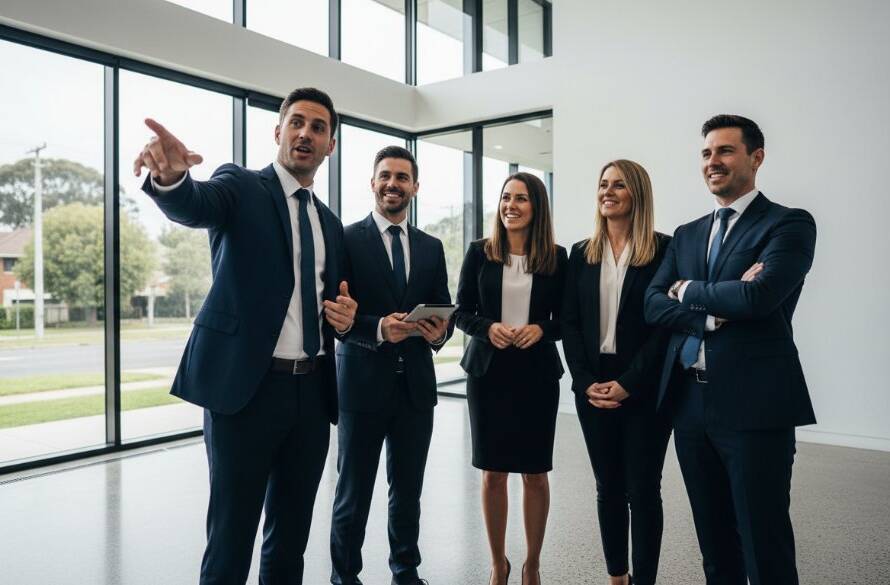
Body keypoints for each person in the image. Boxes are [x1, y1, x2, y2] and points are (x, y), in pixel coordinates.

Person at [135, 87, 357, 585]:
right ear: (278, 132)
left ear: (331, 145)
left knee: (290, 539)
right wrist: (170, 178)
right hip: (245, 394)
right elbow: (195, 203)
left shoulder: (329, 223)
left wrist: (344, 317)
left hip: (311, 395)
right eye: (296, 122)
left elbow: (335, 302)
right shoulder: (240, 185)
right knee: (232, 536)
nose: (305, 133)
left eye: (318, 127)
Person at [645, 115, 817, 585]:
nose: (712, 162)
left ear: (756, 157)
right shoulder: (687, 233)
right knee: (715, 547)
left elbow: (758, 298)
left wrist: (686, 288)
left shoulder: (789, 224)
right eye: (706, 153)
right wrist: (709, 307)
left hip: (755, 406)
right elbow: (653, 304)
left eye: (725, 151)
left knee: (764, 546)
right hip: (690, 406)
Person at [329, 146, 452, 585]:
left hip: (416, 390)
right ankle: (344, 576)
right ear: (372, 182)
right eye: (385, 175)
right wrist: (379, 327)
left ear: (415, 187)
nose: (393, 184)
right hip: (361, 387)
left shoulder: (432, 247)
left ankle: (406, 570)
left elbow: (442, 311)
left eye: (402, 177)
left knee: (408, 493)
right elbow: (336, 314)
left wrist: (439, 332)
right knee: (353, 493)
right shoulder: (344, 239)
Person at [561, 160, 672, 585]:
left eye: (619, 185)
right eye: (603, 184)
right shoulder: (581, 253)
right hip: (592, 384)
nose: (608, 191)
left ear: (637, 194)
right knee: (608, 487)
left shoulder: (665, 250)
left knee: (643, 491)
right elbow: (570, 322)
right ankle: (617, 577)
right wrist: (585, 381)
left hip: (643, 385)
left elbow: (665, 327)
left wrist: (628, 384)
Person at [454, 172, 567, 585]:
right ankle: (498, 562)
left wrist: (541, 329)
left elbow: (566, 319)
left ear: (536, 207)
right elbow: (461, 310)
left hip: (537, 376)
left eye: (520, 199)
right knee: (493, 473)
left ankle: (532, 563)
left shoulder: (556, 256)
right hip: (488, 374)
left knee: (535, 473)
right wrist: (488, 328)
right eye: (505, 198)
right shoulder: (479, 253)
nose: (510, 206)